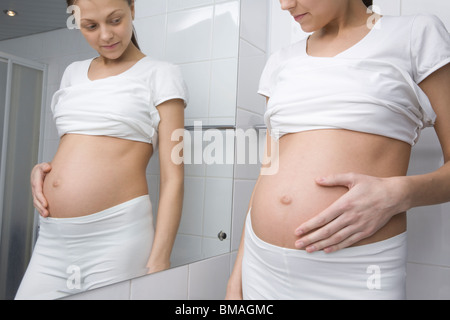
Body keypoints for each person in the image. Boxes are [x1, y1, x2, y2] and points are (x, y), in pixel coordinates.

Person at [226, 0, 450, 300]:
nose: (284, 5)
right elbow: (269, 168)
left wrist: (398, 194)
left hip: (357, 271)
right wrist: (237, 274)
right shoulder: (281, 61)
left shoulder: (415, 34)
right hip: (262, 265)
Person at [15, 0, 188, 300]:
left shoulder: (161, 73)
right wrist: (41, 171)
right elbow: (76, 148)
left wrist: (160, 259)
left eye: (115, 20)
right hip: (53, 240)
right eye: (91, 26)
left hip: (117, 238)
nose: (106, 35)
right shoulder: (72, 73)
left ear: (133, 8)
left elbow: (173, 177)